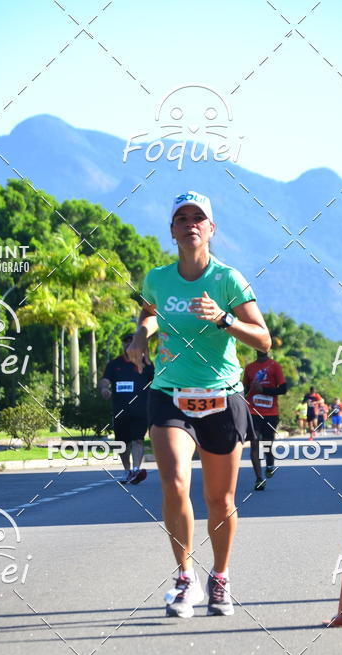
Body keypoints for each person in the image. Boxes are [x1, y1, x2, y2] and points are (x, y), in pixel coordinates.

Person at [127, 190, 271, 618]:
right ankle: (184, 578)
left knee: (220, 500)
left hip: (221, 397)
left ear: (211, 229)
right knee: (173, 484)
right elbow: (150, 313)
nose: (190, 224)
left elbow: (263, 339)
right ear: (172, 229)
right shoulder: (157, 277)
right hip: (169, 392)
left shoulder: (228, 279)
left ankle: (220, 578)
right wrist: (141, 335)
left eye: (198, 218)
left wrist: (225, 319)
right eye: (182, 218)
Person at [99, 335, 154, 484]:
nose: (129, 344)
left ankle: (136, 470)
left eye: (133, 341)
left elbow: (155, 384)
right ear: (124, 344)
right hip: (120, 410)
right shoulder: (114, 364)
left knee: (138, 440)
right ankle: (126, 470)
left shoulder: (147, 365)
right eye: (127, 342)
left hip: (141, 410)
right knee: (123, 443)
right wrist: (104, 389)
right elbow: (105, 380)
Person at [243, 350, 287, 490]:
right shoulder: (250, 368)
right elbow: (245, 388)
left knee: (267, 444)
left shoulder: (275, 366)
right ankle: (259, 479)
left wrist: (263, 390)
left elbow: (283, 389)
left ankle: (270, 464)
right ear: (255, 349)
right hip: (253, 412)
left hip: (271, 413)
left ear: (267, 350)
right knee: (254, 443)